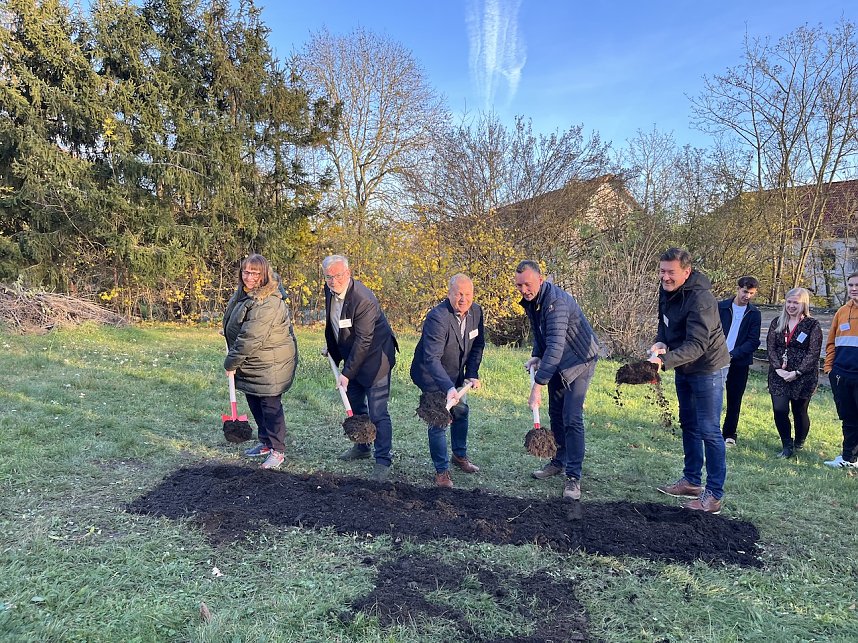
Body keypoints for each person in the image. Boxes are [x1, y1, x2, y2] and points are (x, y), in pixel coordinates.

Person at [649, 248, 730, 514]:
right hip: (683, 366)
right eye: (662, 271)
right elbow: (665, 322)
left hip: (707, 367)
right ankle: (692, 481)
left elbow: (698, 344)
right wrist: (661, 341)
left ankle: (714, 496)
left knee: (709, 429)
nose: (665, 277)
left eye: (671, 272)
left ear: (687, 271)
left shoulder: (701, 299)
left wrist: (664, 361)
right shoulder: (666, 290)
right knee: (689, 423)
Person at [515, 260, 600, 501]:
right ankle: (559, 461)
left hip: (579, 360)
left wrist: (537, 386)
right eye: (519, 285)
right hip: (558, 360)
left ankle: (573, 477)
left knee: (571, 417)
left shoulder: (556, 303)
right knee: (555, 413)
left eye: (527, 284)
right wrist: (535, 355)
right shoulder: (534, 301)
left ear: (540, 280)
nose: (523, 290)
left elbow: (555, 345)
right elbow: (541, 333)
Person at [323, 254, 398, 482]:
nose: (333, 281)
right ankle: (363, 447)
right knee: (356, 405)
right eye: (328, 277)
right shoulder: (330, 291)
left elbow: (364, 340)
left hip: (376, 360)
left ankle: (383, 460)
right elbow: (335, 324)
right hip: (353, 357)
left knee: (378, 413)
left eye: (337, 276)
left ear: (348, 273)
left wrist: (346, 373)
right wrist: (333, 349)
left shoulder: (363, 299)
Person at [223, 254, 298, 470]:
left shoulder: (267, 300)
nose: (249, 277)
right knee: (255, 401)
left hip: (271, 362)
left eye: (255, 273)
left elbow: (252, 337)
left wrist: (231, 363)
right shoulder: (244, 293)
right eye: (246, 272)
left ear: (264, 274)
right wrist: (229, 331)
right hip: (253, 361)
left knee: (270, 405)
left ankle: (277, 450)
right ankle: (265, 442)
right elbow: (241, 323)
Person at [411, 274, 485, 488]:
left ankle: (459, 456)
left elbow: (478, 345)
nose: (463, 299)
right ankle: (442, 471)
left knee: (461, 412)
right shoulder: (437, 317)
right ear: (449, 293)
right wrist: (448, 388)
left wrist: (471, 373)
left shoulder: (476, 312)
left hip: (455, 374)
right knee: (439, 419)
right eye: (459, 294)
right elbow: (431, 358)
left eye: (468, 294)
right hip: (431, 374)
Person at [765, 287, 823, 459]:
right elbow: (771, 347)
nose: (791, 306)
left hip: (803, 376)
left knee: (799, 411)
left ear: (803, 304)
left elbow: (814, 352)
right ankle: (786, 445)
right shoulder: (777, 322)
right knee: (779, 409)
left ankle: (799, 442)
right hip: (779, 374)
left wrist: (797, 372)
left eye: (795, 303)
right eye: (789, 302)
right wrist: (778, 369)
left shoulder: (812, 324)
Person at [718, 276, 762, 446]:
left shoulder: (754, 314)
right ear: (738, 289)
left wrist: (733, 355)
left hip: (739, 362)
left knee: (734, 399)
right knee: (712, 396)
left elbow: (753, 341)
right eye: (745, 291)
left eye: (751, 293)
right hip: (715, 359)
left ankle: (729, 433)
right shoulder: (720, 307)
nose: (747, 296)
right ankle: (708, 429)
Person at [823, 272, 858, 468]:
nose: (854, 289)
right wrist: (829, 368)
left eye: (857, 285)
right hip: (841, 375)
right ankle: (848, 458)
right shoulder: (842, 312)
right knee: (848, 418)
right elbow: (831, 343)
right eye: (851, 285)